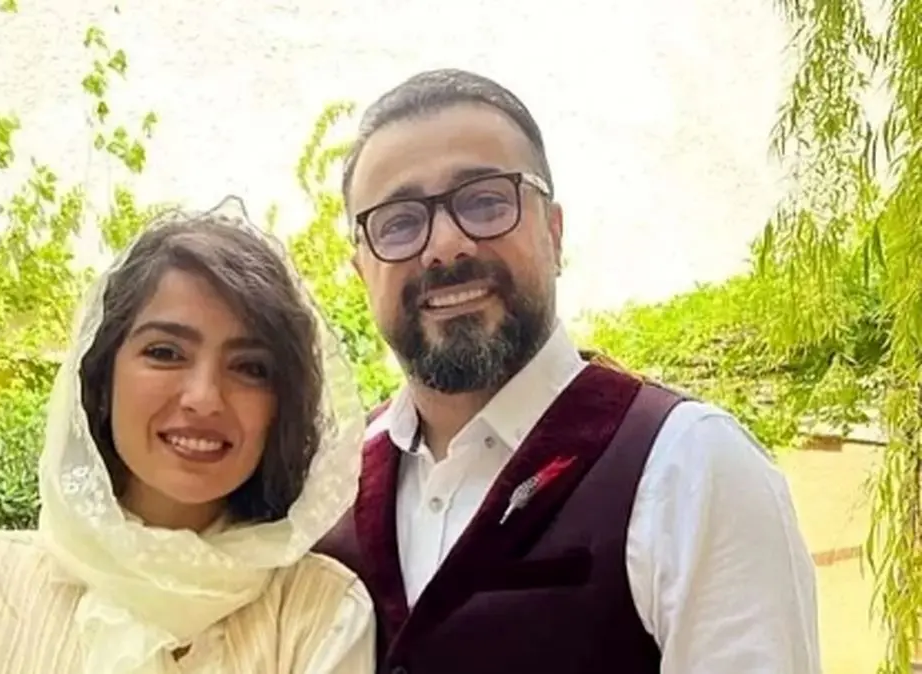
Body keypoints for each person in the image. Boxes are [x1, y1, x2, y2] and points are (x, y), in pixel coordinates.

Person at [317, 69, 821, 674]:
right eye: (399, 222)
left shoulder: (689, 467)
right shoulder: (331, 487)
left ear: (554, 234)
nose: (445, 245)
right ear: (362, 270)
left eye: (485, 201)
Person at [0, 198, 374, 674]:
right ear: (102, 378)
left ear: (282, 406)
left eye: (250, 367)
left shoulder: (321, 613)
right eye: (165, 353)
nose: (204, 398)